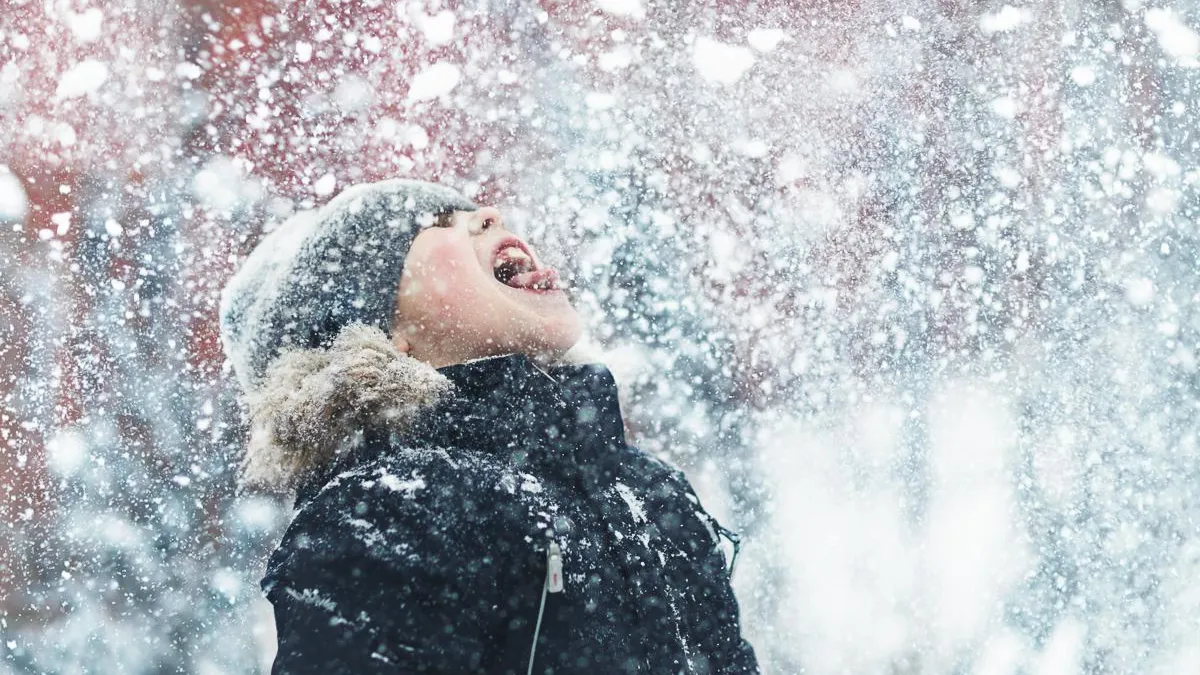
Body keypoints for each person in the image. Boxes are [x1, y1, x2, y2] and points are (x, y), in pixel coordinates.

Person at [219, 179, 760, 674]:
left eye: (474, 211)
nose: (488, 214)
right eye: (437, 223)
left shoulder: (647, 488)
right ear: (386, 335)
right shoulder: (394, 507)